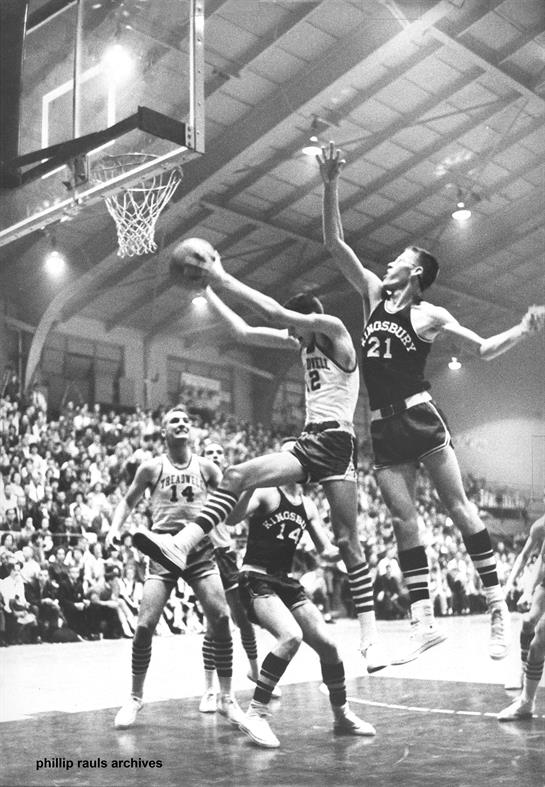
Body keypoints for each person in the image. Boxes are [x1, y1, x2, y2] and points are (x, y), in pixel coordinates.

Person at [318, 141, 545, 664]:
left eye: (401, 258)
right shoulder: (373, 294)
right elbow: (335, 242)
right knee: (403, 522)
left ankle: (494, 610)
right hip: (380, 427)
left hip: (420, 416)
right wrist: (330, 183)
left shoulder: (430, 316)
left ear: (415, 273)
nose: (390, 261)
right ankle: (422, 624)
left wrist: (523, 328)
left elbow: (484, 349)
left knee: (460, 508)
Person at [134, 248, 385, 673]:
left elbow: (269, 310)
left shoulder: (334, 330)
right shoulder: (303, 342)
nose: (291, 337)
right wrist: (209, 288)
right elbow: (245, 330)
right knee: (237, 474)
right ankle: (181, 542)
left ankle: (370, 639)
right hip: (309, 444)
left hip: (338, 443)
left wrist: (222, 274)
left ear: (304, 320)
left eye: (294, 327)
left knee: (347, 541)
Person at [231, 438, 375, 747]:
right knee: (290, 636)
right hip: (255, 579)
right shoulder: (266, 492)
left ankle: (342, 716)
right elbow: (232, 518)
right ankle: (255, 714)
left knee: (329, 646)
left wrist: (349, 548)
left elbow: (326, 551)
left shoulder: (307, 505)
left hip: (284, 582)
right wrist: (245, 486)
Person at [106, 407, 244, 729]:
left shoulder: (207, 467)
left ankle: (226, 697)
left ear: (191, 431)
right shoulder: (151, 468)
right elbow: (127, 502)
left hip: (198, 549)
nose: (182, 424)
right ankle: (135, 697)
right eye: (174, 421)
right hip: (164, 549)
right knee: (144, 625)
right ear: (164, 432)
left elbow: (229, 505)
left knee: (221, 616)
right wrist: (114, 529)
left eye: (186, 421)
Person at [198, 440, 279, 713]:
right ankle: (209, 689)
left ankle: (255, 673)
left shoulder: (232, 488)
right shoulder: (196, 487)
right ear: (203, 458)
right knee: (214, 623)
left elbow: (245, 515)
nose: (215, 456)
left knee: (244, 620)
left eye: (219, 452)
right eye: (210, 452)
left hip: (228, 556)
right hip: (205, 556)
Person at [498, 526, 545, 721]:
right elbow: (540, 559)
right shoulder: (541, 525)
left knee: (539, 640)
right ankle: (526, 697)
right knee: (529, 625)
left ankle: (526, 700)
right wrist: (527, 590)